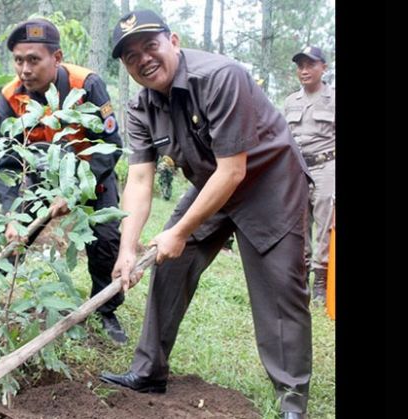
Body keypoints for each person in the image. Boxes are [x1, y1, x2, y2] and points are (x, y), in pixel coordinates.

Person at [98, 10, 313, 419]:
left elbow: (235, 170)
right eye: (130, 56)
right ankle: (148, 371)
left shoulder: (219, 77)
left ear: (173, 41)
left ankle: (292, 398)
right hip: (211, 182)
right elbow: (140, 180)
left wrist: (179, 230)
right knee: (167, 265)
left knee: (280, 288)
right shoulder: (141, 106)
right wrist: (128, 248)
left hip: (269, 184)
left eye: (150, 46)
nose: (143, 59)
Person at [0, 18, 126, 343]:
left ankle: (107, 310)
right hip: (41, 181)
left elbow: (111, 146)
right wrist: (11, 213)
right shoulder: (9, 96)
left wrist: (72, 191)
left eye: (33, 60)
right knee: (9, 239)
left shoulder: (86, 84)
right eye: (18, 60)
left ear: (56, 58)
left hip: (90, 177)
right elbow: (5, 161)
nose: (25, 69)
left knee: (105, 241)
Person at [283, 46, 335, 304]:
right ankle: (300, 279)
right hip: (298, 169)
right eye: (300, 65)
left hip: (327, 167)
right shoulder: (291, 101)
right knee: (299, 224)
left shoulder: (333, 98)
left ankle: (322, 283)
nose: (304, 70)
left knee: (326, 225)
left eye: (310, 65)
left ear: (323, 67)